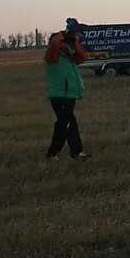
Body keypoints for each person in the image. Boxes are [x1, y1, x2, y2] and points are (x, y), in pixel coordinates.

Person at [44, 18, 89, 160]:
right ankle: (58, 152)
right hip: (60, 94)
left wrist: (72, 43)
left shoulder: (69, 55)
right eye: (77, 34)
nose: (79, 37)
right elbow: (55, 43)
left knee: (67, 124)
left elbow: (81, 57)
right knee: (65, 124)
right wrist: (64, 36)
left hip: (69, 93)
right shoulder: (53, 53)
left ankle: (70, 152)